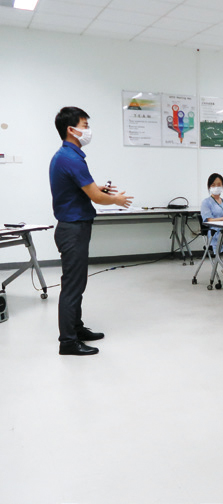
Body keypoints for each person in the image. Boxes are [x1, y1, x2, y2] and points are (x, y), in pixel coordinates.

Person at [49, 106, 134, 356]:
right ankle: (68, 341)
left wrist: (100, 190)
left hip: (75, 228)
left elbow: (88, 189)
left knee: (78, 283)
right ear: (71, 129)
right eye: (85, 126)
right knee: (73, 286)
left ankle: (76, 328)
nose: (88, 130)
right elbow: (95, 197)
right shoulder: (70, 158)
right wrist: (115, 199)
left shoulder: (68, 156)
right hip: (73, 229)